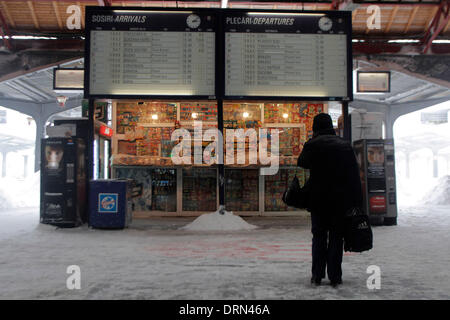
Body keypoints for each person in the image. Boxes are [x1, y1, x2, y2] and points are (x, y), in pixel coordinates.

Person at [297, 113, 363, 288]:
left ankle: (317, 275)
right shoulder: (344, 146)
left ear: (315, 127)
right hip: (340, 201)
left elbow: (301, 162)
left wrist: (312, 144)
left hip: (318, 200)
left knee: (318, 236)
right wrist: (357, 201)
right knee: (336, 237)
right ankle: (335, 276)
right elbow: (354, 176)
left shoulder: (312, 145)